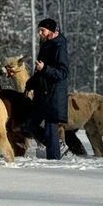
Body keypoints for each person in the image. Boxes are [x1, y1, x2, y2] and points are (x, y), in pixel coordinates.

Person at [24, 18, 69, 160]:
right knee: (28, 125)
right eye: (39, 30)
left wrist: (45, 68)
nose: (40, 33)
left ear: (50, 30)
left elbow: (63, 73)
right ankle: (58, 146)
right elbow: (39, 73)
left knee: (50, 131)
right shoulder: (45, 45)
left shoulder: (59, 46)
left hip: (54, 94)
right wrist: (29, 85)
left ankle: (54, 163)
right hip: (42, 95)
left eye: (42, 30)